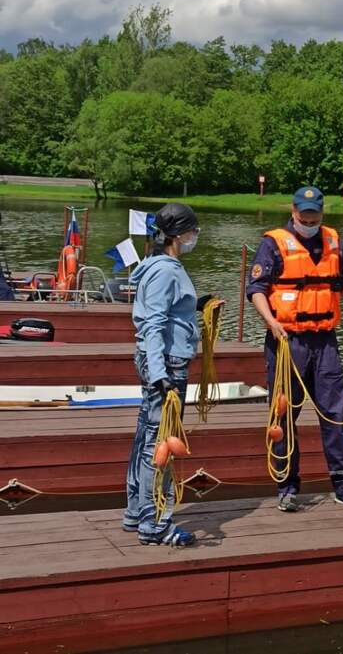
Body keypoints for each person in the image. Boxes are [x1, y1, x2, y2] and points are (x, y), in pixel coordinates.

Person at [247, 186, 343, 513]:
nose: (308, 220)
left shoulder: (334, 241)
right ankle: (287, 486)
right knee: (284, 415)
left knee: (336, 413)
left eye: (314, 216)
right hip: (287, 342)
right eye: (303, 215)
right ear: (293, 211)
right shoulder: (274, 243)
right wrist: (270, 321)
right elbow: (256, 289)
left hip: (325, 343)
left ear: (322, 213)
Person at [122, 202, 203, 547]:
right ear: (180, 235)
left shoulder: (156, 266)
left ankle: (134, 512)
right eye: (194, 231)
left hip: (161, 361)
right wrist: (160, 375)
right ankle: (155, 523)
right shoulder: (167, 271)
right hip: (167, 366)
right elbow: (152, 324)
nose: (196, 237)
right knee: (161, 445)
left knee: (146, 436)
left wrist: (196, 306)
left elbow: (166, 311)